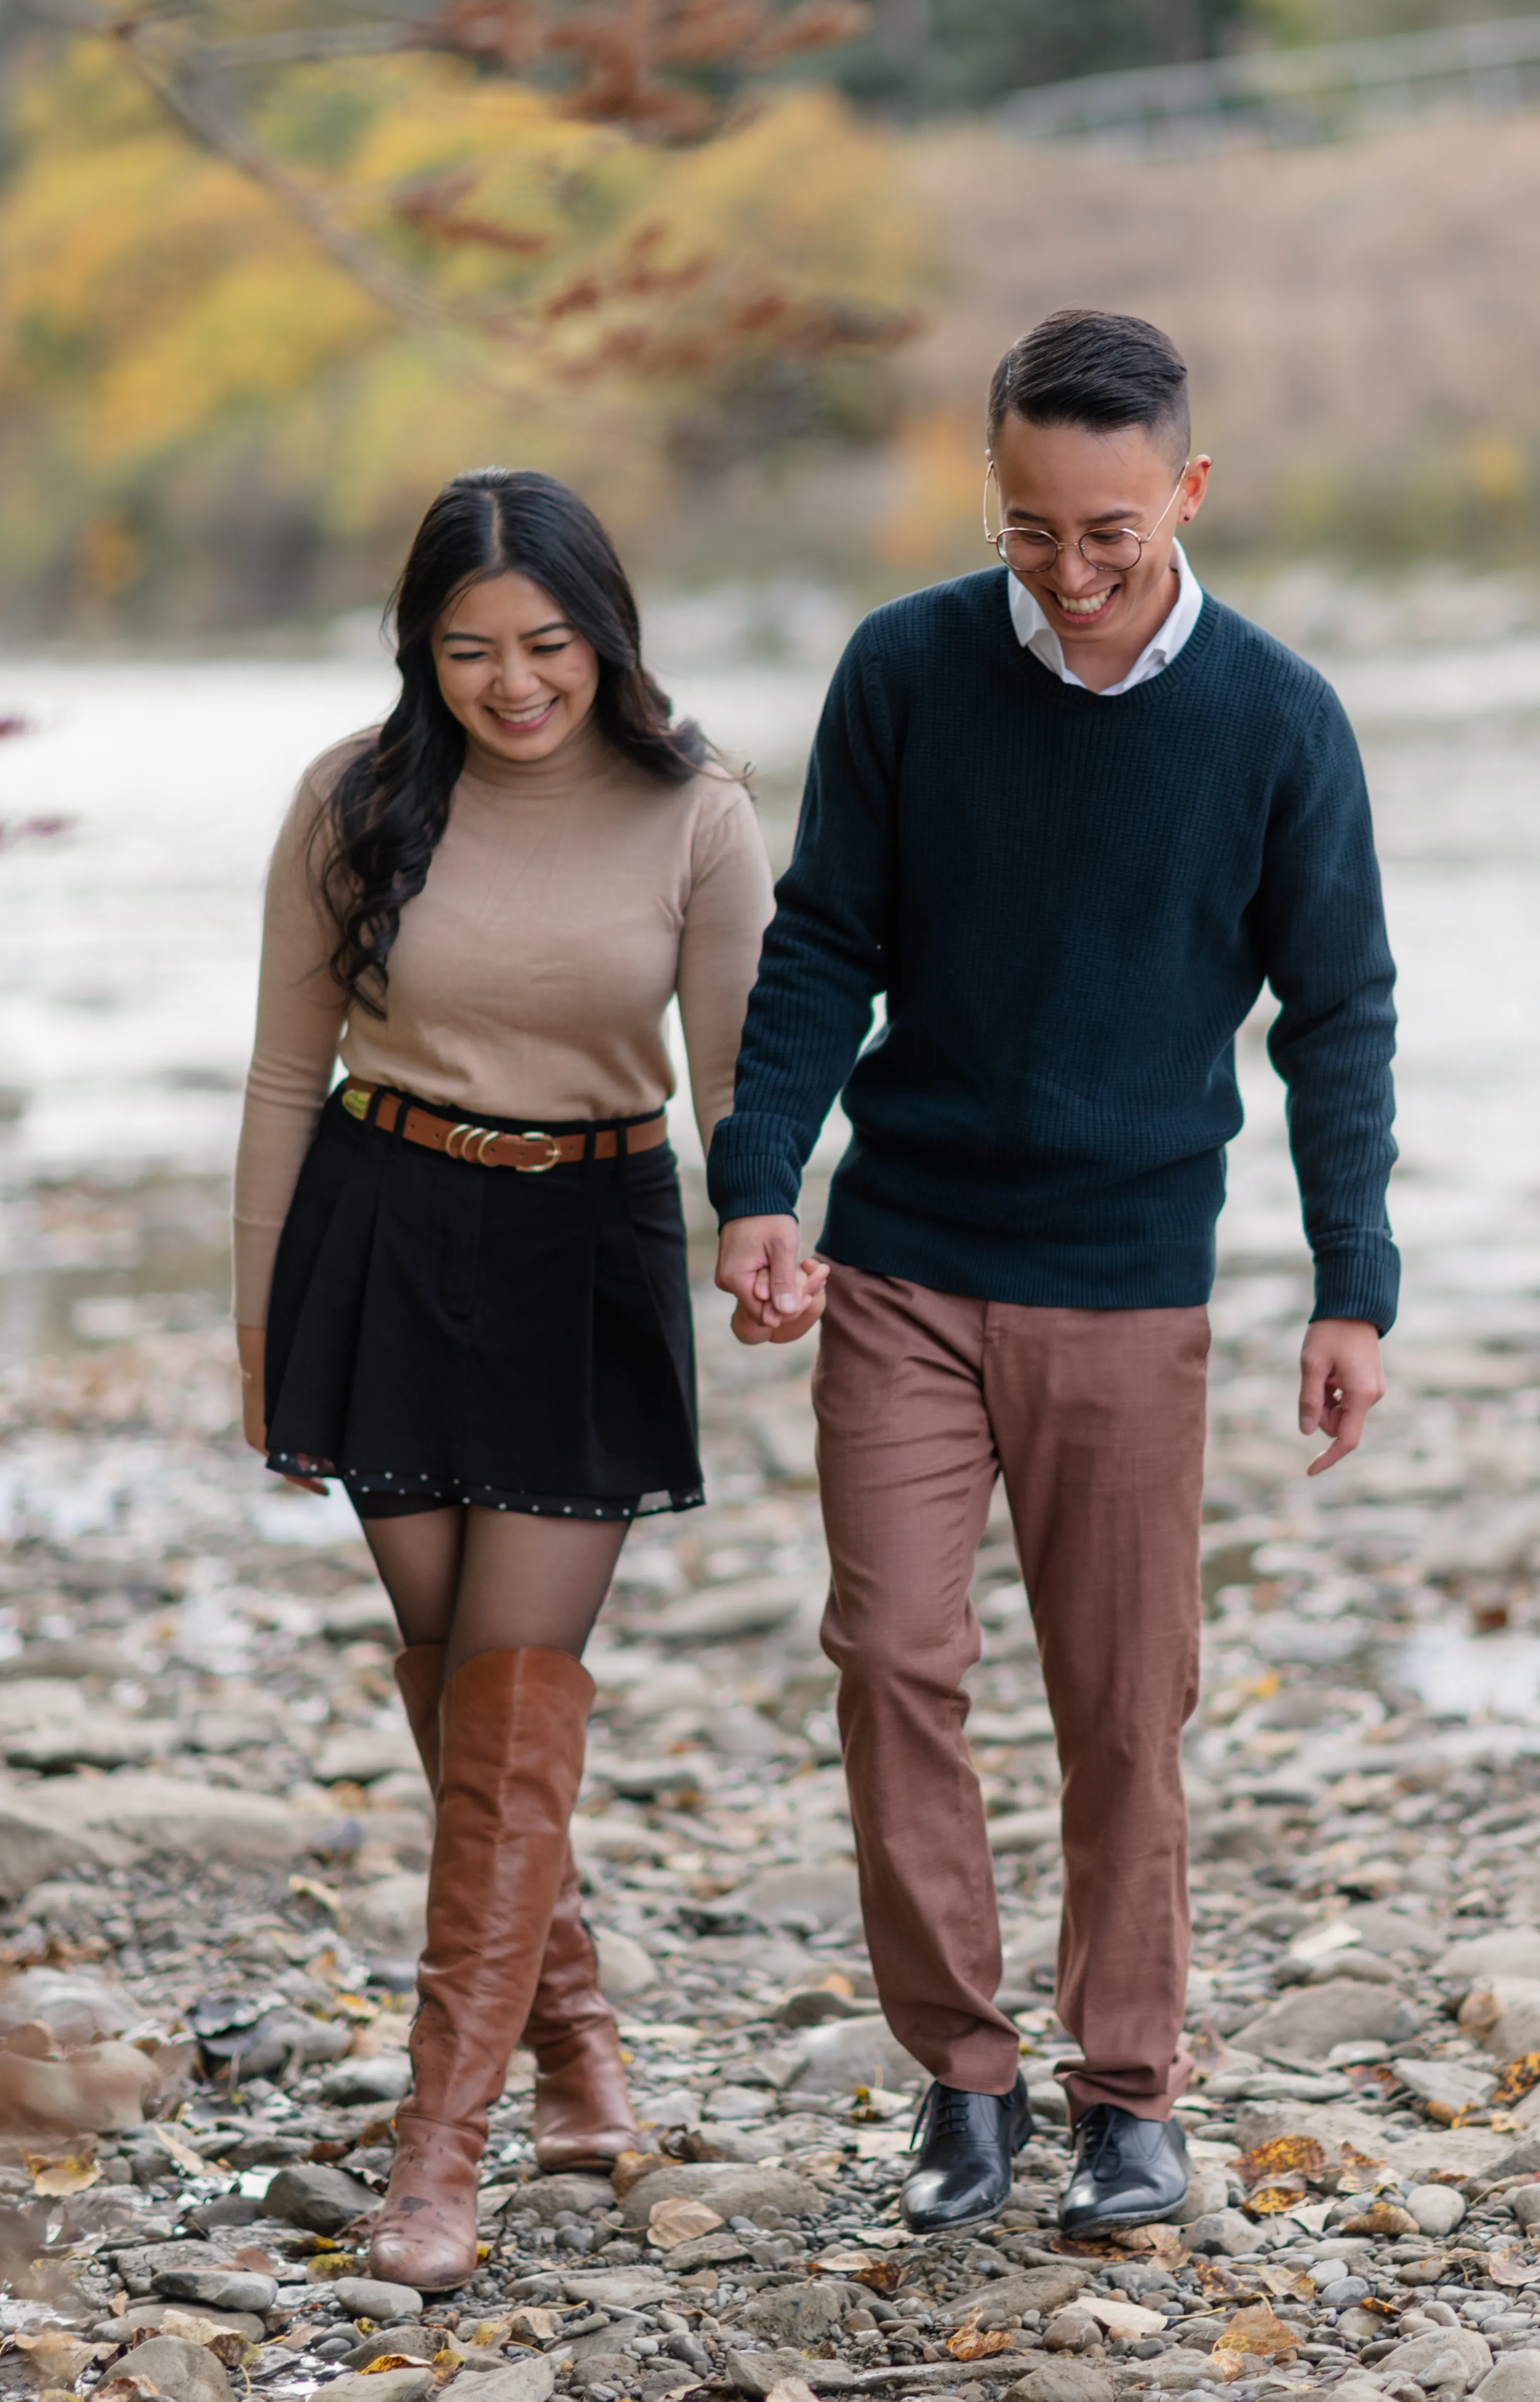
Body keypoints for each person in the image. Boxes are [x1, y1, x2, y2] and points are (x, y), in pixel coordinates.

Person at [709, 309, 1398, 2239]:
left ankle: (1128, 2095)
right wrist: (759, 1176)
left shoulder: (1275, 718)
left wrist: (1353, 1282)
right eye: (1029, 530)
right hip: (908, 1261)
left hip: (1127, 1278)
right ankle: (962, 2080)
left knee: (1122, 1704)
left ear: (1185, 491)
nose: (1072, 575)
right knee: (892, 1659)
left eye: (1110, 531)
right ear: (990, 490)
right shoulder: (906, 670)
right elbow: (824, 936)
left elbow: (1334, 1013)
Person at [232, 467, 780, 2290]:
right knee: (458, 1686)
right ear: (422, 650)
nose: (511, 682)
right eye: (468, 650)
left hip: (585, 1241)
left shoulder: (697, 815)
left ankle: (435, 2155)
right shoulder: (355, 796)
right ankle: (572, 2041)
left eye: (544, 644)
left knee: (509, 1676)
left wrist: (761, 1231)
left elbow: (734, 1093)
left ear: (603, 635)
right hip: (380, 1229)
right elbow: (278, 1080)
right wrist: (261, 1335)